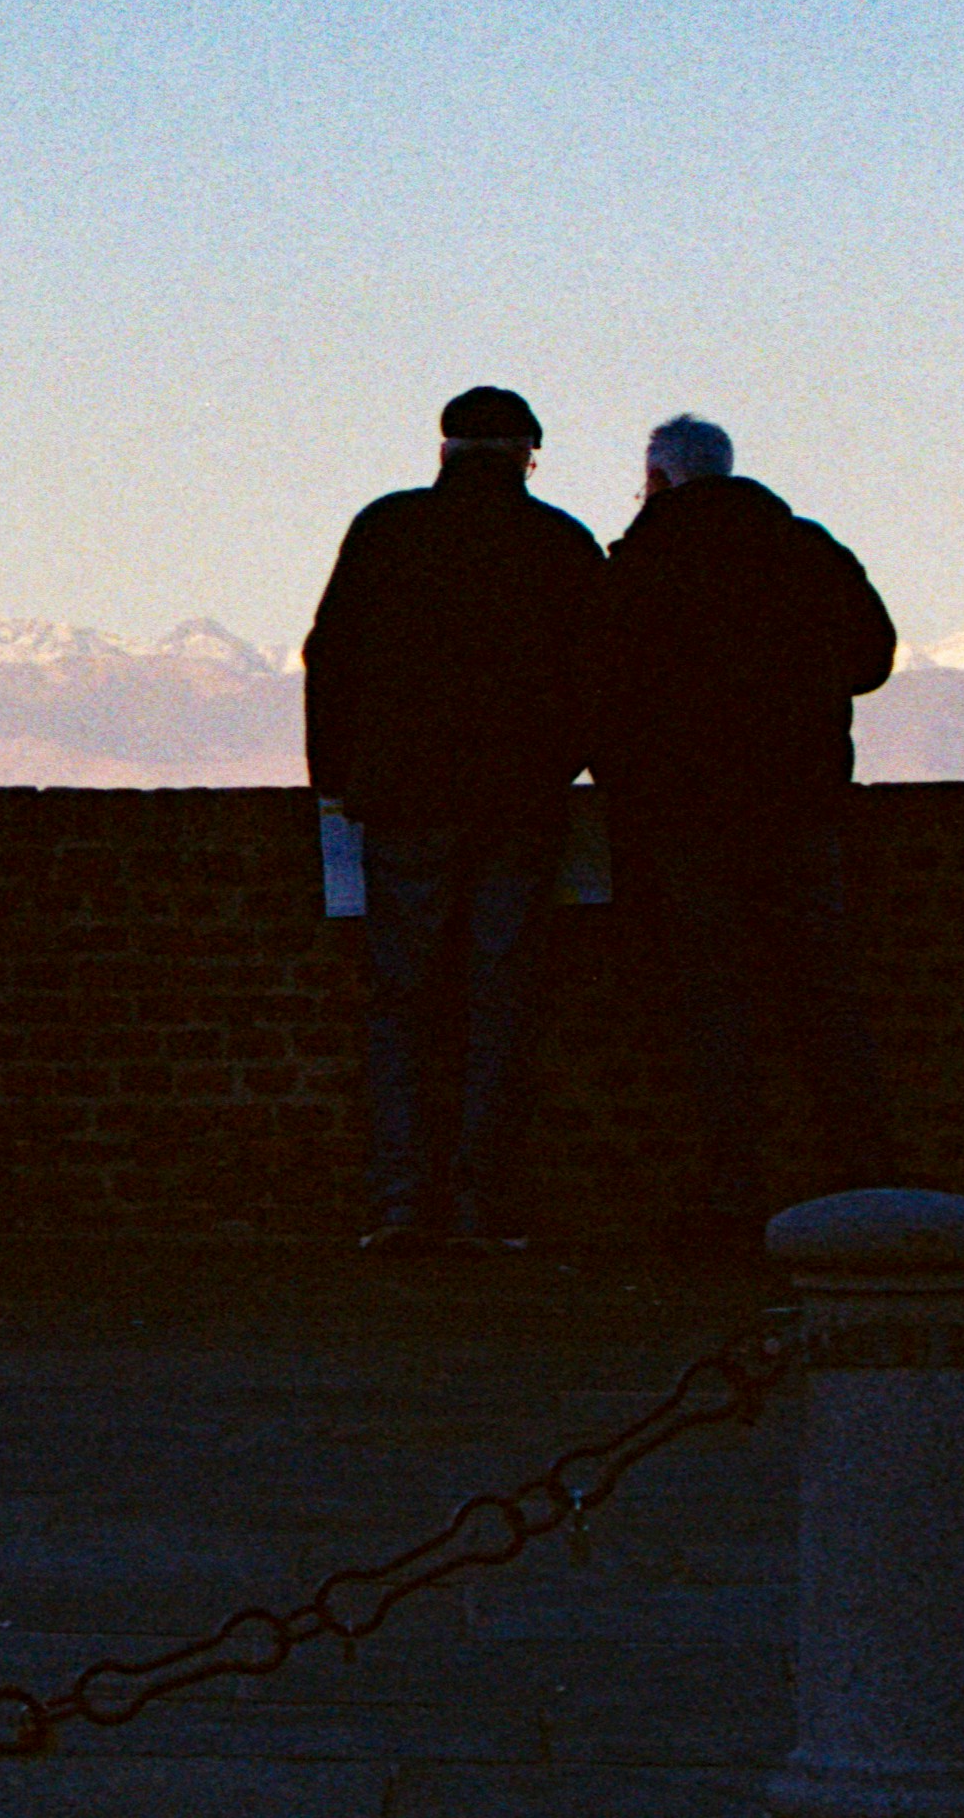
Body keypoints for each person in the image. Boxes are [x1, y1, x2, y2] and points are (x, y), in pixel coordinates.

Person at [301, 386, 608, 1252]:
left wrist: (336, 777)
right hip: (517, 805)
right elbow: (598, 673)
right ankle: (483, 1204)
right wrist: (560, 764)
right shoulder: (557, 543)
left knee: (401, 1001)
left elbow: (330, 654)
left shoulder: (386, 531)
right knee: (498, 999)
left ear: (443, 449)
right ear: (526, 453)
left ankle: (400, 1201)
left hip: (402, 803)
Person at [595, 415, 900, 1253]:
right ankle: (868, 1180)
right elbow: (870, 658)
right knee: (824, 996)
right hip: (798, 807)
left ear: (656, 479)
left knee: (712, 1003)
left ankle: (733, 1191)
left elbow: (600, 693)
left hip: (684, 819)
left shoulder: (641, 565)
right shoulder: (802, 550)